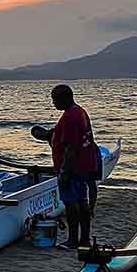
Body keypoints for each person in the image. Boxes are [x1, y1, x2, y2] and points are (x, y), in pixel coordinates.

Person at [48, 84, 98, 249]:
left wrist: (64, 172)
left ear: (64, 98)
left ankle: (73, 240)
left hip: (73, 168)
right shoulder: (80, 111)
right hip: (83, 165)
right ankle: (84, 239)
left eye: (55, 99)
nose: (53, 103)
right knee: (81, 201)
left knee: (71, 204)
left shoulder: (70, 117)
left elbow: (70, 148)